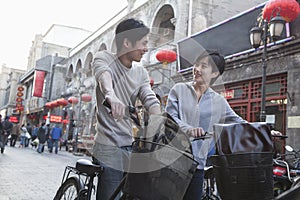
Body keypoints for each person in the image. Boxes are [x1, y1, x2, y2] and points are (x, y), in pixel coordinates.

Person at [92, 18, 161, 199]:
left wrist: (159, 119)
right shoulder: (104, 58)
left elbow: (149, 98)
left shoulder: (140, 72)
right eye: (144, 43)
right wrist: (111, 95)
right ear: (127, 42)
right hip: (107, 145)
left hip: (130, 145)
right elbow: (104, 76)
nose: (146, 49)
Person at [166, 50, 246, 199]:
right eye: (196, 64)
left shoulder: (219, 101)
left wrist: (266, 131)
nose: (197, 69)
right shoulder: (179, 89)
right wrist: (189, 129)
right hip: (171, 162)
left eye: (203, 66)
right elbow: (169, 118)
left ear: (214, 73)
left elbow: (239, 122)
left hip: (196, 166)